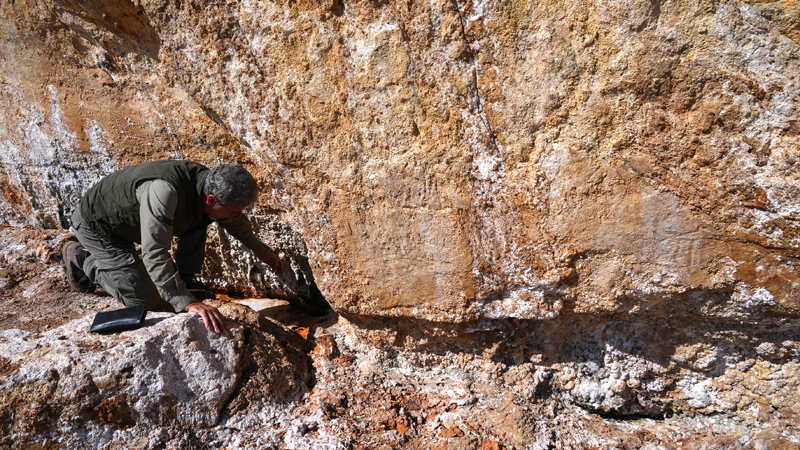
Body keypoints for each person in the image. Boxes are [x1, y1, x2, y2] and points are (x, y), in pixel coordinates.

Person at [62, 160, 284, 334]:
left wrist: (261, 252)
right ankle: (82, 259)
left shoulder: (207, 184)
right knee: (146, 301)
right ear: (212, 200)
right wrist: (186, 303)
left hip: (133, 223)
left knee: (201, 220)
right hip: (100, 227)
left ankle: (185, 280)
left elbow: (233, 221)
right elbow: (154, 253)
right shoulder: (164, 191)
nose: (237, 215)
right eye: (235, 210)